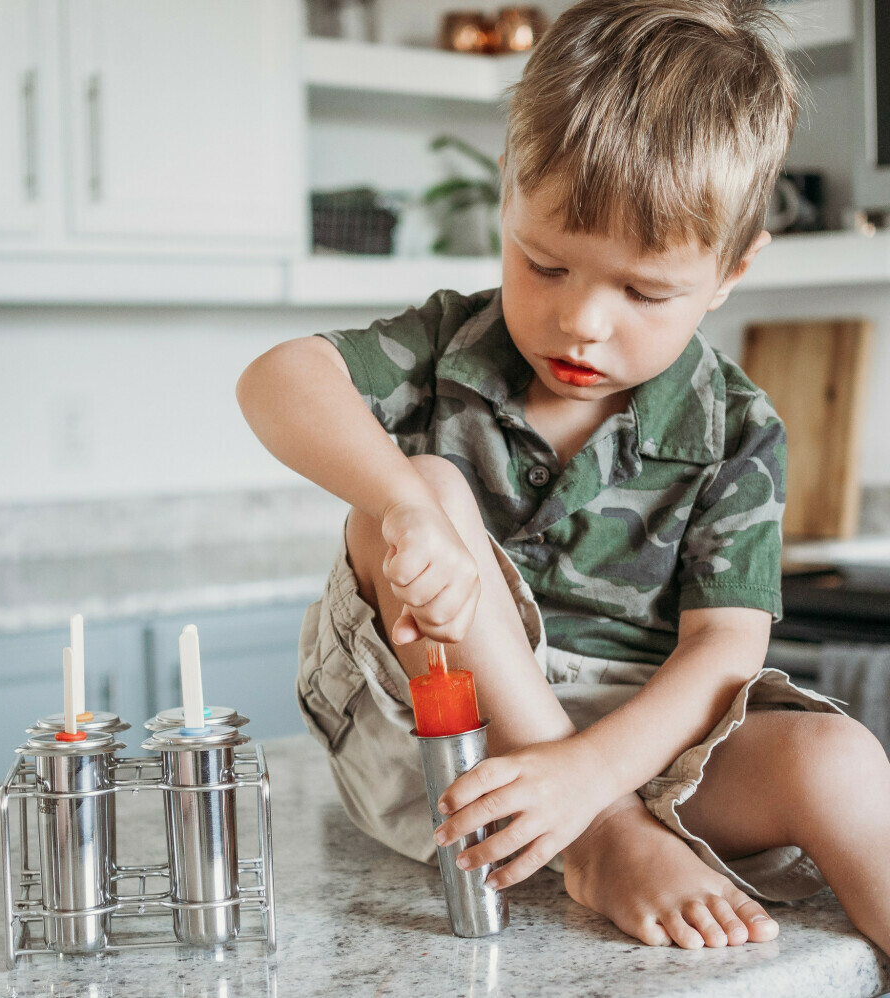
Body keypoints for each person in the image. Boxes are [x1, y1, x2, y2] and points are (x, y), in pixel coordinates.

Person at [237, 0, 890, 953]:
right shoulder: (444, 347)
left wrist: (590, 773)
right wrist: (406, 504)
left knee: (841, 758)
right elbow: (277, 378)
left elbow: (722, 656)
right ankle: (601, 845)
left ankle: (597, 812)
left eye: (643, 291)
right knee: (415, 491)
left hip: (635, 746)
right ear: (509, 197)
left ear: (731, 271)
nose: (583, 321)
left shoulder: (739, 427)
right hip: (444, 747)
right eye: (544, 265)